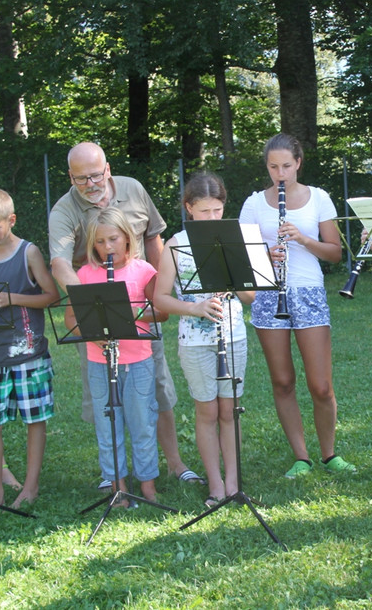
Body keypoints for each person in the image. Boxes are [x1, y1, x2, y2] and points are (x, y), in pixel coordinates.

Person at [49, 142, 201, 486]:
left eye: (95, 175)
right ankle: (113, 473)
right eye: (80, 179)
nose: (90, 184)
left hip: (139, 302)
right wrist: (93, 305)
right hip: (95, 306)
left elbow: (153, 240)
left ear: (107, 169)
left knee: (157, 387)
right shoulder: (63, 209)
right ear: (70, 178)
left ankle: (174, 463)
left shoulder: (132, 188)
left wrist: (160, 291)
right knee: (105, 399)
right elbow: (60, 262)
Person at [239, 133, 355, 478]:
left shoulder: (318, 198)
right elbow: (241, 259)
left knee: (321, 384)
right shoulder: (254, 204)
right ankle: (301, 457)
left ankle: (330, 453)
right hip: (269, 295)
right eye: (273, 166)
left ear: (298, 163)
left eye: (286, 166)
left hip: (308, 292)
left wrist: (303, 239)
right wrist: (264, 256)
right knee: (283, 381)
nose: (280, 173)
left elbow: (335, 253)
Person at [153, 173, 254, 507]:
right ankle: (215, 485)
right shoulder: (176, 244)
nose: (212, 218)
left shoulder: (233, 239)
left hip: (234, 334)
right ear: (189, 208)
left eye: (217, 210)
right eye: (204, 211)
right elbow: (160, 299)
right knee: (207, 411)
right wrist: (194, 307)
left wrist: (234, 273)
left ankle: (233, 483)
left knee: (231, 411)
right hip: (194, 341)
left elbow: (250, 296)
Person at [0, 187, 59, 511]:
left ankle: (31, 487)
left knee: (35, 420)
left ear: (11, 220)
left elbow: (52, 296)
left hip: (28, 351)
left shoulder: (28, 252)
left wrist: (12, 298)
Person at [67, 207, 163, 504]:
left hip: (138, 362)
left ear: (127, 238)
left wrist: (130, 311)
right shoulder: (85, 274)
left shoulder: (143, 270)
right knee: (108, 425)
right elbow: (71, 320)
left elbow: (162, 312)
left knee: (143, 423)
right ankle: (118, 487)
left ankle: (148, 486)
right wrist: (94, 334)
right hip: (101, 361)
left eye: (113, 239)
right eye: (100, 242)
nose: (108, 248)